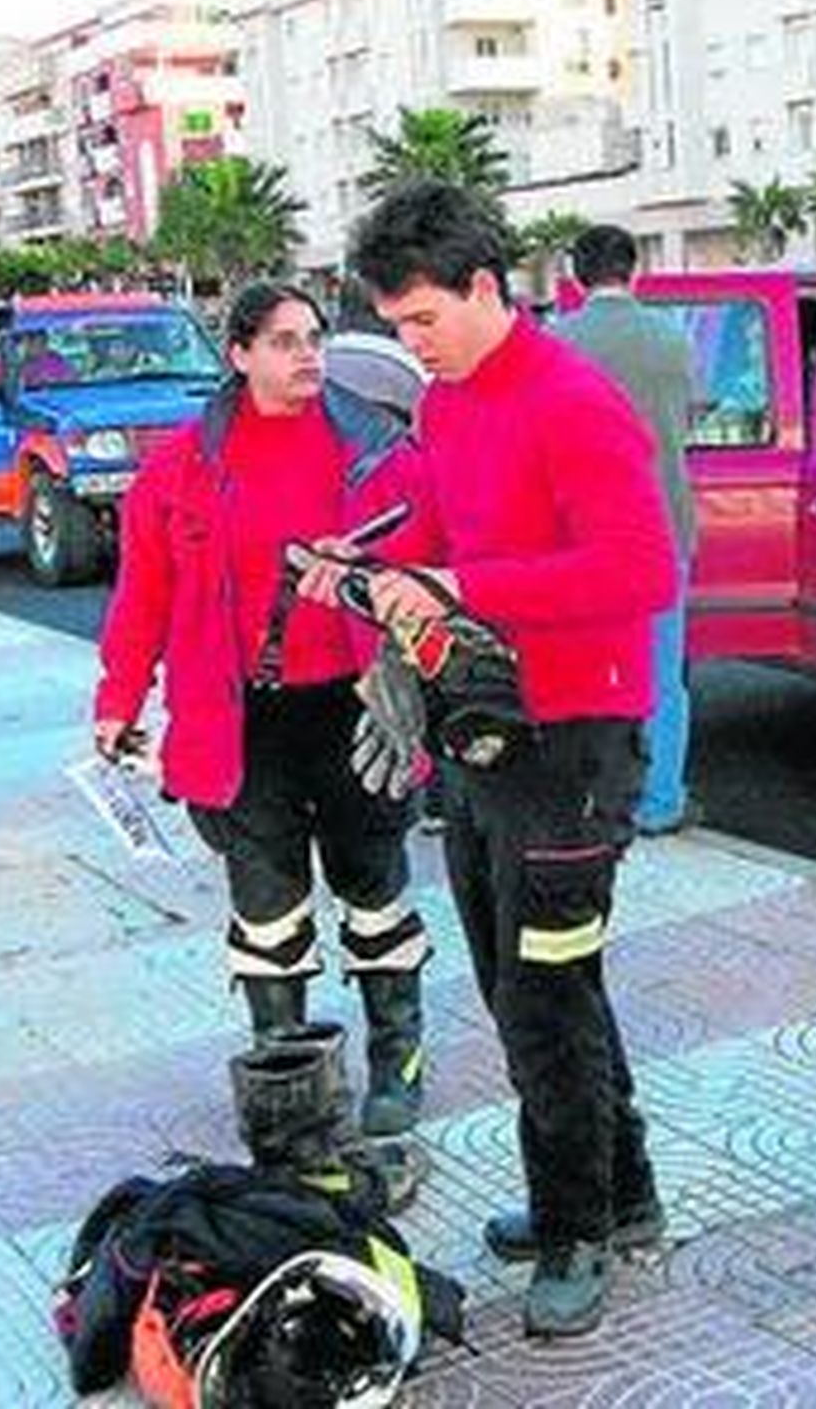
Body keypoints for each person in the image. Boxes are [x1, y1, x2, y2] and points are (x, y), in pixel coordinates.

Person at [321, 179, 677, 1340]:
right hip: (486, 734)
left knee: (544, 996)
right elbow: (436, 518)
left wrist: (461, 589)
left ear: (485, 287)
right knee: (527, 983)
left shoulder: (572, 399)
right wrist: (366, 560)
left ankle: (574, 1228)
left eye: (420, 319)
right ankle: (619, 1193)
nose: (409, 345)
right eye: (394, 327)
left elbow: (640, 570)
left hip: (574, 744)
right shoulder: (456, 398)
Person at [92, 280, 432, 1139]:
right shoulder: (178, 468)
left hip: (358, 709)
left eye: (313, 337)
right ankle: (289, 1071)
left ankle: (398, 1059)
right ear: (238, 355)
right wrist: (117, 700)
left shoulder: (381, 449)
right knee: (267, 908)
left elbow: (438, 564)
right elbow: (142, 598)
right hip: (241, 720)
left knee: (374, 890)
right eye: (283, 341)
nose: (307, 354)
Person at [552, 223, 700, 836]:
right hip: (663, 524)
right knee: (663, 673)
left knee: (583, 668)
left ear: (577, 274)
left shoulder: (556, 343)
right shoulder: (674, 339)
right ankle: (661, 800)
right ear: (632, 269)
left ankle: (589, 793)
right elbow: (688, 422)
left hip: (579, 533)